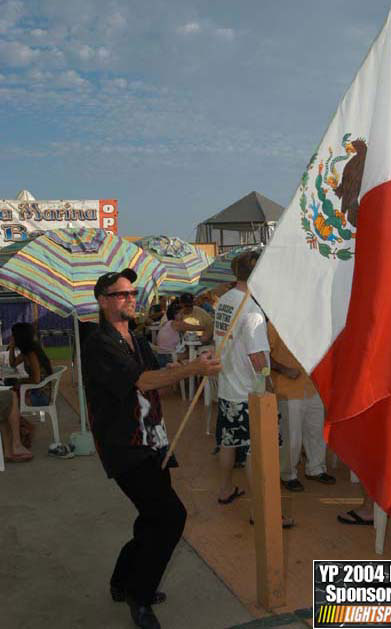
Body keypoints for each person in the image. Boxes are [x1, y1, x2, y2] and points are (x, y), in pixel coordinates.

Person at [82, 269, 221, 629]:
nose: (130, 299)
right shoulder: (99, 344)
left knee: (152, 518)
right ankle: (138, 596)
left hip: (153, 442)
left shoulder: (137, 340)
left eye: (132, 293)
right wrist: (190, 368)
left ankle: (120, 581)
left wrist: (176, 366)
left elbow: (154, 372)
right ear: (103, 301)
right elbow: (141, 381)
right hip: (125, 447)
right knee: (170, 517)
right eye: (121, 294)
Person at [214, 252, 294, 527]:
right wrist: (268, 385)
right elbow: (258, 357)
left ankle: (225, 489)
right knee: (255, 451)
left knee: (228, 441)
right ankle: (260, 511)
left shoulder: (224, 301)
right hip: (249, 392)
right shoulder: (252, 310)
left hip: (227, 387)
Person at [268, 321, 335, 491]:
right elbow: (262, 354)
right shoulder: (275, 323)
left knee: (317, 431)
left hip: (313, 387)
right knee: (292, 436)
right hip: (287, 389)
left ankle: (316, 468)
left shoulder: (312, 321)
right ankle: (288, 474)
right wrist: (283, 369)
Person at [1, 322, 53, 462]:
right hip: (35, 391)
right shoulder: (26, 351)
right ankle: (18, 431)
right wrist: (11, 347)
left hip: (40, 395)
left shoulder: (31, 353)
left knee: (10, 399)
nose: (11, 336)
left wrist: (21, 383)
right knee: (10, 394)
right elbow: (12, 364)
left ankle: (21, 432)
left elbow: (36, 379)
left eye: (13, 335)